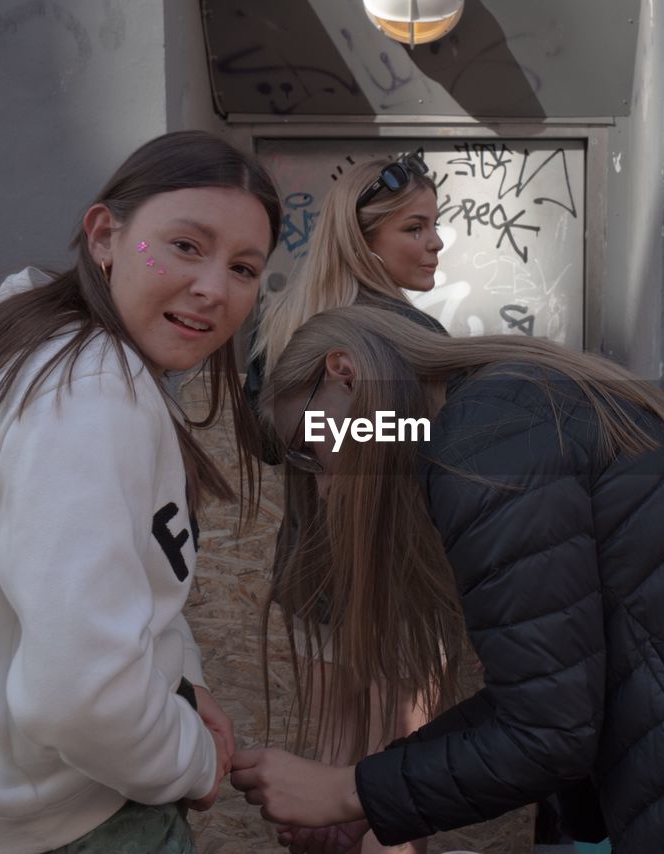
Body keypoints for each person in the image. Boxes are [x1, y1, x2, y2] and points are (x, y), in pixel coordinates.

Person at [231, 305, 664, 853]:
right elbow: (545, 690)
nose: (319, 484)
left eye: (306, 447)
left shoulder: (483, 444)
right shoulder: (507, 408)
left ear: (343, 375)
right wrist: (373, 792)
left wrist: (348, 791)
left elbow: (545, 734)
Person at [0, 130, 282, 853]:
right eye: (185, 245)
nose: (214, 287)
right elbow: (80, 697)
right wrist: (195, 761)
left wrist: (181, 686)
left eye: (244, 267)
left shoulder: (37, 344)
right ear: (105, 234)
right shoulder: (91, 396)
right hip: (53, 822)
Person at [245, 154, 446, 854]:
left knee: (329, 772)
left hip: (316, 579)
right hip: (401, 590)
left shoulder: (286, 327)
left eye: (435, 226)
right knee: (397, 783)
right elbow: (436, 455)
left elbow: (273, 447)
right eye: (415, 228)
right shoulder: (408, 339)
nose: (435, 243)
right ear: (367, 241)